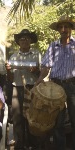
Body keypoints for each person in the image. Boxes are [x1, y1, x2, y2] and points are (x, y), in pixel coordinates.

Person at [35, 15, 75, 150]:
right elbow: (46, 66)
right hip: (56, 86)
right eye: (61, 27)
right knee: (58, 122)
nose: (63, 29)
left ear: (71, 28)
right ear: (58, 30)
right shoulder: (53, 46)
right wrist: (40, 79)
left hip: (72, 85)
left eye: (66, 27)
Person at [5, 29, 41, 150]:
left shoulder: (37, 54)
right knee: (17, 118)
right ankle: (19, 145)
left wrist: (36, 71)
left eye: (27, 38)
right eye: (22, 38)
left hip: (33, 89)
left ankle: (33, 145)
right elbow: (10, 78)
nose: (24, 40)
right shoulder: (13, 56)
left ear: (31, 40)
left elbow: (42, 73)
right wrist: (9, 70)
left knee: (32, 118)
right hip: (17, 88)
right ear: (18, 42)